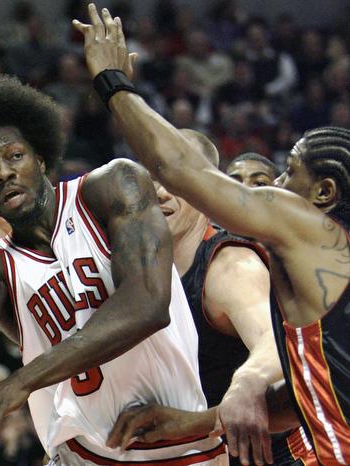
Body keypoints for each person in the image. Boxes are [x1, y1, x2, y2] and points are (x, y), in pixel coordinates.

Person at [74, 5, 349, 466]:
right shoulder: (317, 271)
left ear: (324, 192)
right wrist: (195, 422)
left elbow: (181, 168)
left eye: (288, 173)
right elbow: (297, 402)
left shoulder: (313, 232)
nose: (274, 187)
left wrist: (112, 83)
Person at [0, 75, 226, 465]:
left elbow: (147, 305)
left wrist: (24, 379)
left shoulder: (110, 187)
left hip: (177, 445)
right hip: (81, 453)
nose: (4, 173)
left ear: (40, 158)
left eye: (14, 156)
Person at [155, 133, 315, 466]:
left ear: (204, 189)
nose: (160, 191)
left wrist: (246, 381)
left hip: (271, 455)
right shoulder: (140, 265)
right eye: (153, 177)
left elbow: (275, 342)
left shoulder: (230, 266)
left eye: (174, 179)